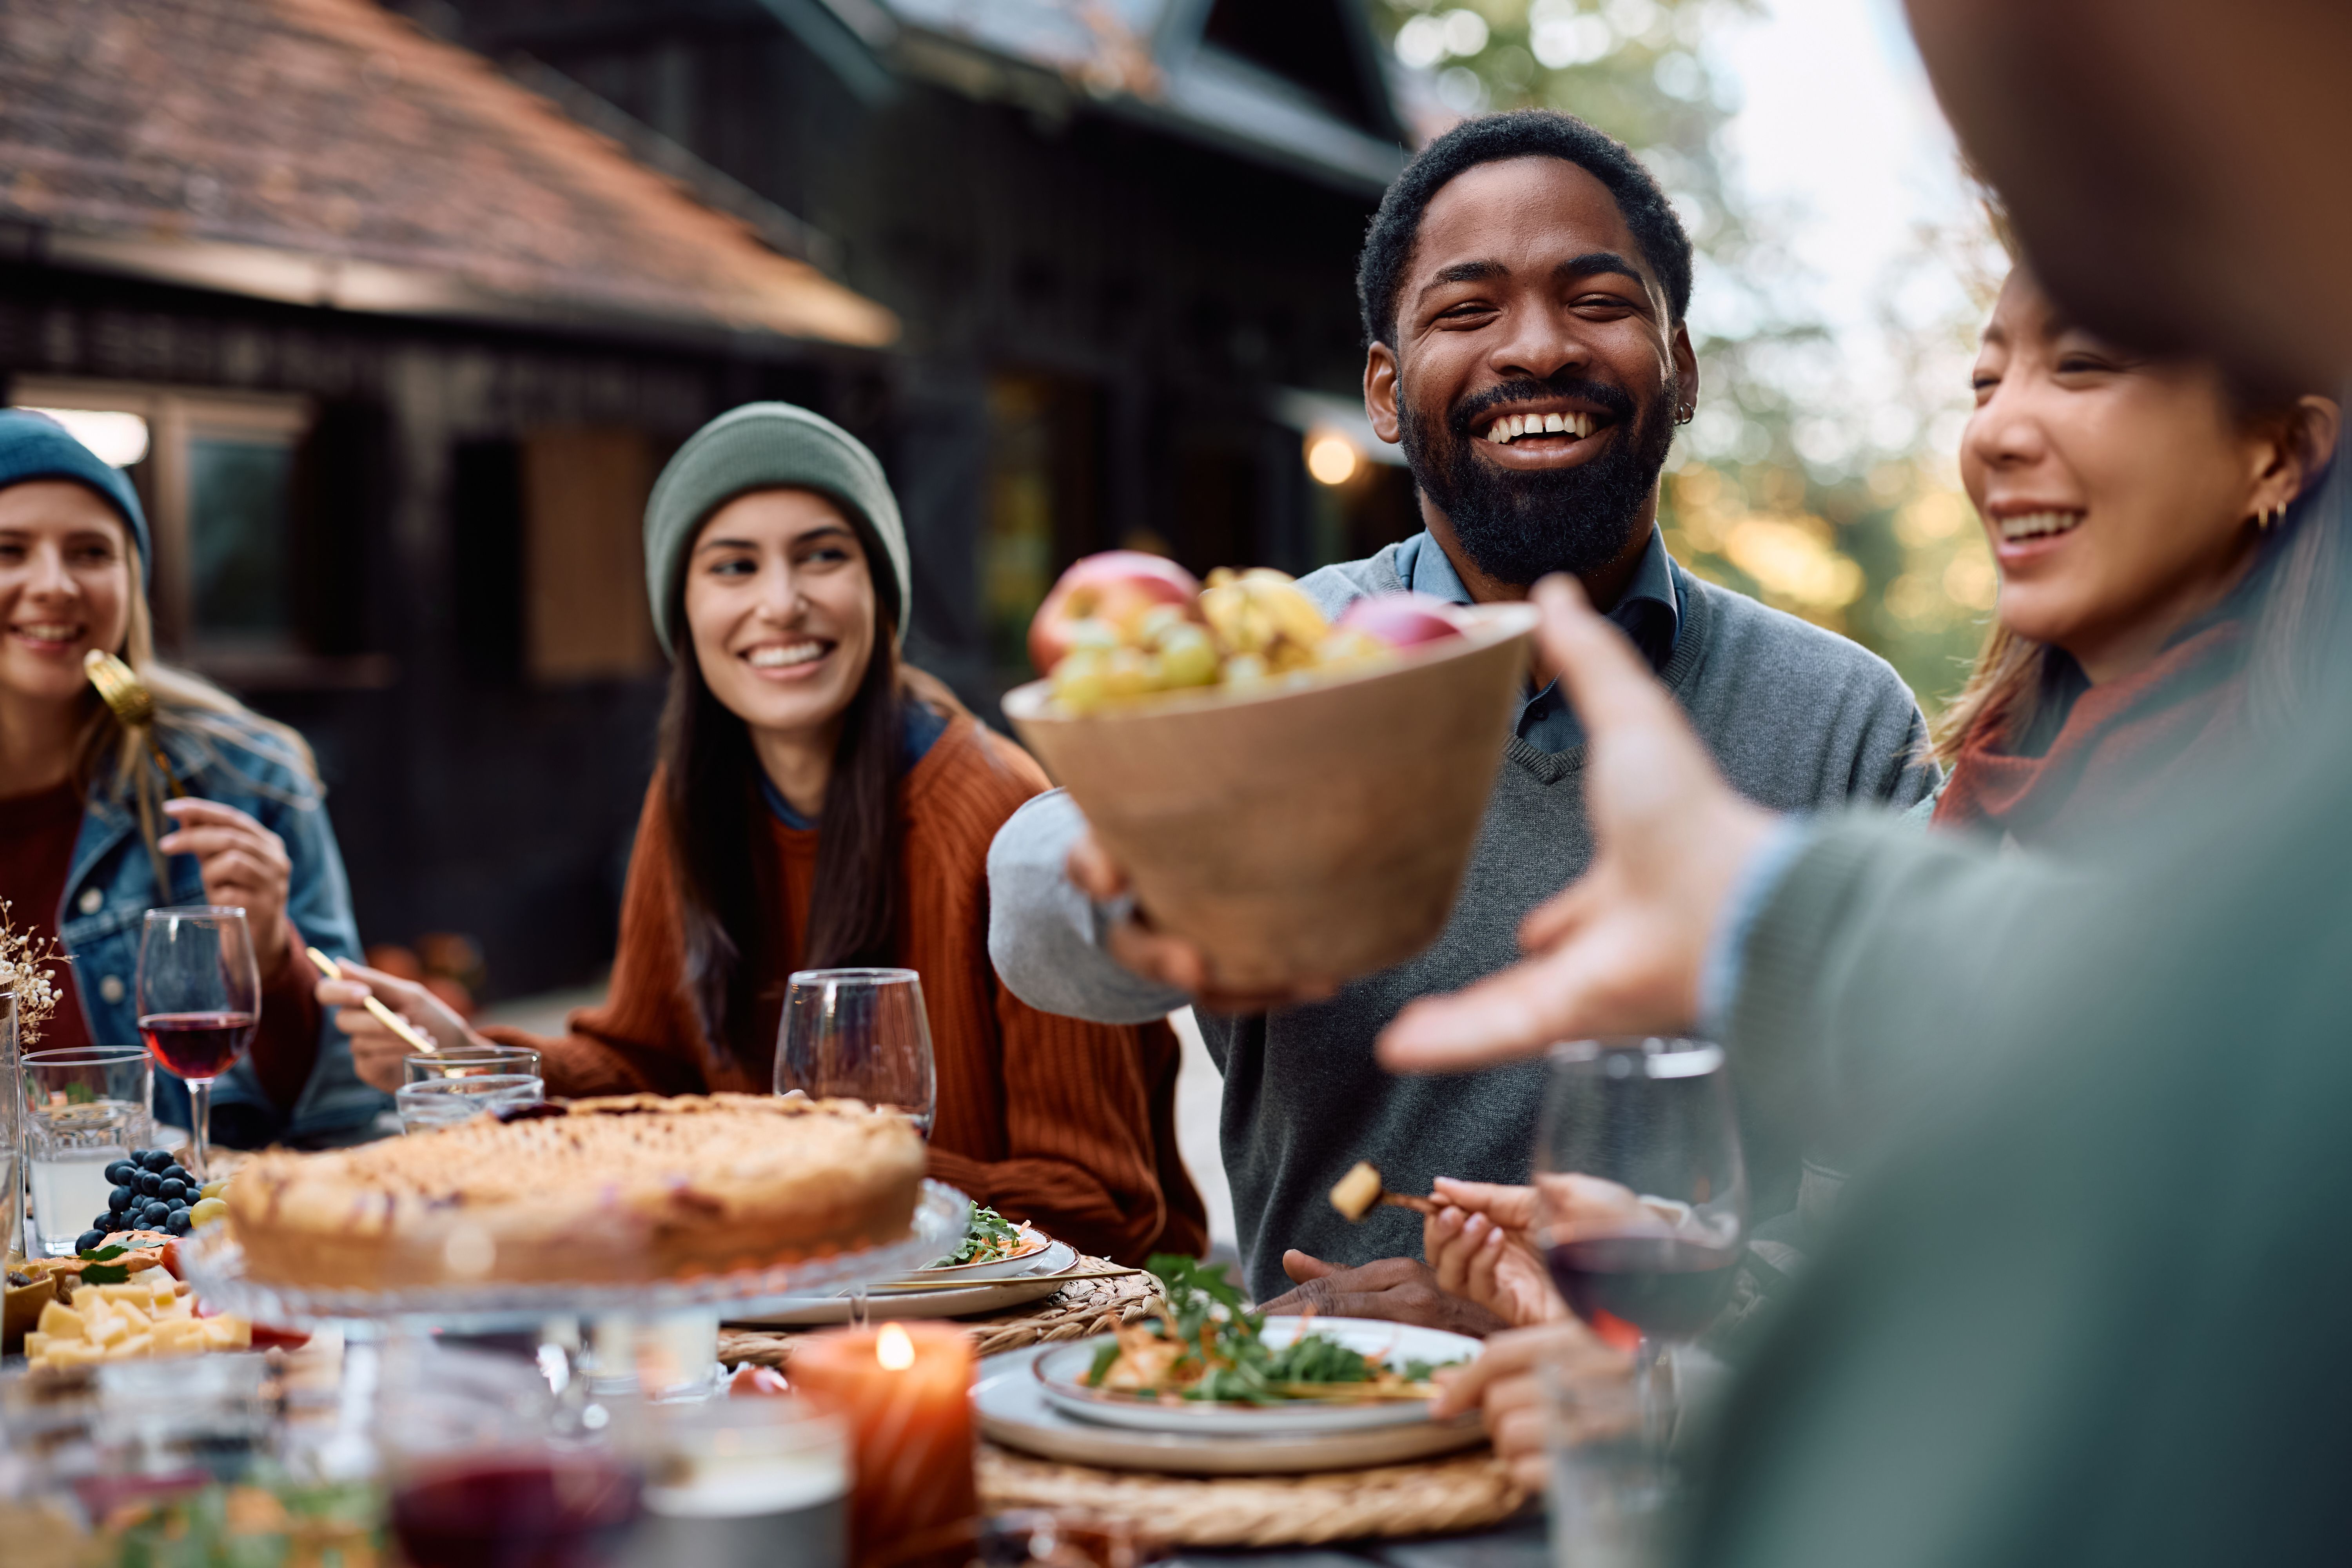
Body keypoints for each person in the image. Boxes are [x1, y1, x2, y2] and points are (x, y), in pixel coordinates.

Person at [1374, 0, 2352, 1555]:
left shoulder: (2263, 823)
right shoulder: (1997, 772)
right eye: (1980, 384)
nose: (1999, 436)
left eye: (2084, 362)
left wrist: (1773, 920)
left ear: (2279, 454)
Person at [986, 109, 1937, 1310]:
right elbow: (1029, 903)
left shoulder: (1841, 717)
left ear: (1681, 367)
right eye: (1467, 310)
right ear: (1386, 390)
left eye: (1597, 300)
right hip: (1324, 1426)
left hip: (1690, 1454)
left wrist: (1593, 1316)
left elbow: (1910, 1184)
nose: (1536, 348)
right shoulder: (1282, 664)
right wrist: (1141, 887)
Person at [324, 404, 1205, 1267]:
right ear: (684, 608)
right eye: (734, 566)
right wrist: (483, 1061)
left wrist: (797, 1163)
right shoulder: (693, 797)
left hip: (1029, 1339)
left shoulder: (992, 809)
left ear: (879, 589)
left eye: (822, 555)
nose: (780, 604)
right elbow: (646, 1064)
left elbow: (1107, 1206)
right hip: (784, 1313)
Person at [0, 409, 375, 1149]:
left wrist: (273, 954)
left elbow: (343, 1111)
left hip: (169, 1237)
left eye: (91, 552)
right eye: (9, 550)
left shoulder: (244, 773)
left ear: (131, 582)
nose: (55, 585)